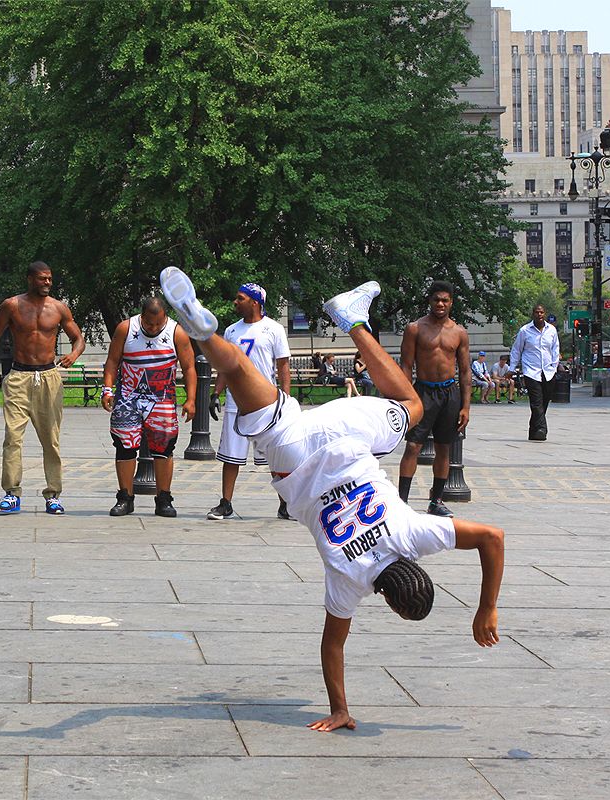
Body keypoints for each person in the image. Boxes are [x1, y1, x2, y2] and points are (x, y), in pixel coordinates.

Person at [159, 266, 504, 733]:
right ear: (388, 600)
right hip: (293, 456)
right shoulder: (351, 579)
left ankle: (352, 320)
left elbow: (492, 538)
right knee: (238, 369)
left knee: (412, 405)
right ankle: (204, 333)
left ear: (418, 570)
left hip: (341, 433)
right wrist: (341, 710)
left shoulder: (414, 535)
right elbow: (332, 647)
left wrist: (486, 607)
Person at [0, 261, 86, 514]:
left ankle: (53, 495)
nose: (47, 282)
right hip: (19, 376)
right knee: (12, 437)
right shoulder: (12, 305)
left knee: (51, 440)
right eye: (42, 279)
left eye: (49, 278)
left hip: (48, 376)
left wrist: (74, 354)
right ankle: (11, 493)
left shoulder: (58, 308)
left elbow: (78, 338)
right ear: (30, 279)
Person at [102, 297, 197, 517]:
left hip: (162, 398)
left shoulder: (176, 332)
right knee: (124, 446)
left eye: (158, 324)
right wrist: (107, 389)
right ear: (141, 317)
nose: (153, 328)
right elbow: (112, 361)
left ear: (165, 316)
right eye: (148, 324)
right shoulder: (126, 329)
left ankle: (163, 498)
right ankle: (125, 497)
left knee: (164, 448)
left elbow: (189, 367)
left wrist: (191, 399)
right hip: (128, 396)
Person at [207, 282, 292, 521]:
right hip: (236, 401)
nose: (235, 302)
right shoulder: (232, 331)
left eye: (240, 298)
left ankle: (285, 504)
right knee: (230, 455)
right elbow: (225, 365)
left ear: (255, 302)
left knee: (277, 455)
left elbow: (283, 366)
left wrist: (286, 397)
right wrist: (216, 393)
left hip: (267, 402)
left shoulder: (273, 329)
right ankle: (226, 503)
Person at [397, 281, 471, 517]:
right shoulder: (415, 328)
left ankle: (436, 501)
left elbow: (466, 371)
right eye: (436, 299)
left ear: (451, 302)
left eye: (445, 300)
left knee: (444, 448)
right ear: (429, 301)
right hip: (423, 392)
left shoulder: (459, 332)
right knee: (413, 446)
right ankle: (402, 501)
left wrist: (466, 407)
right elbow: (406, 365)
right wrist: (405, 398)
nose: (440, 304)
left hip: (449, 393)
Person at [510, 304, 560, 441]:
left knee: (544, 402)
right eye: (537, 312)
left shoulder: (552, 330)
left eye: (542, 312)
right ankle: (542, 429)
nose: (539, 315)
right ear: (533, 314)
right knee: (536, 402)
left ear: (545, 313)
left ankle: (534, 431)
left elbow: (555, 350)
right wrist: (511, 368)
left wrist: (555, 366)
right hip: (531, 371)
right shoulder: (525, 331)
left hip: (548, 371)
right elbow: (516, 350)